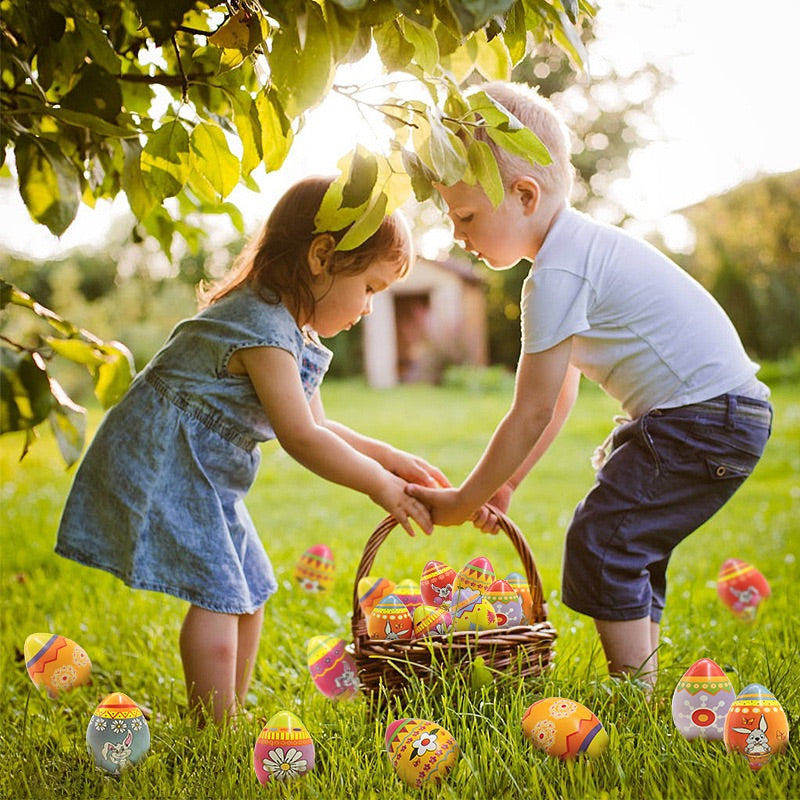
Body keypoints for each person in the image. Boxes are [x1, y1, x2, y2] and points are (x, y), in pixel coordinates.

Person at [406, 81, 773, 690]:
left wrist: (466, 498)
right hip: (719, 415)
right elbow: (560, 394)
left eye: (466, 216)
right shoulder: (577, 255)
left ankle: (634, 691)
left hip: (701, 417)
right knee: (628, 540)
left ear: (525, 195)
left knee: (604, 539)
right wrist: (510, 482)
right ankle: (643, 684)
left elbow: (530, 410)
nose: (457, 234)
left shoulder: (556, 274)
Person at [56, 176, 447, 724]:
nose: (369, 309)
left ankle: (228, 712)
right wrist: (381, 487)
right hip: (166, 463)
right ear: (322, 256)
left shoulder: (287, 328)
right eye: (370, 289)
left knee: (251, 585)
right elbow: (302, 438)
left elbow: (321, 424)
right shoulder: (258, 324)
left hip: (204, 473)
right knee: (220, 593)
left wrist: (391, 460)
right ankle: (212, 725)